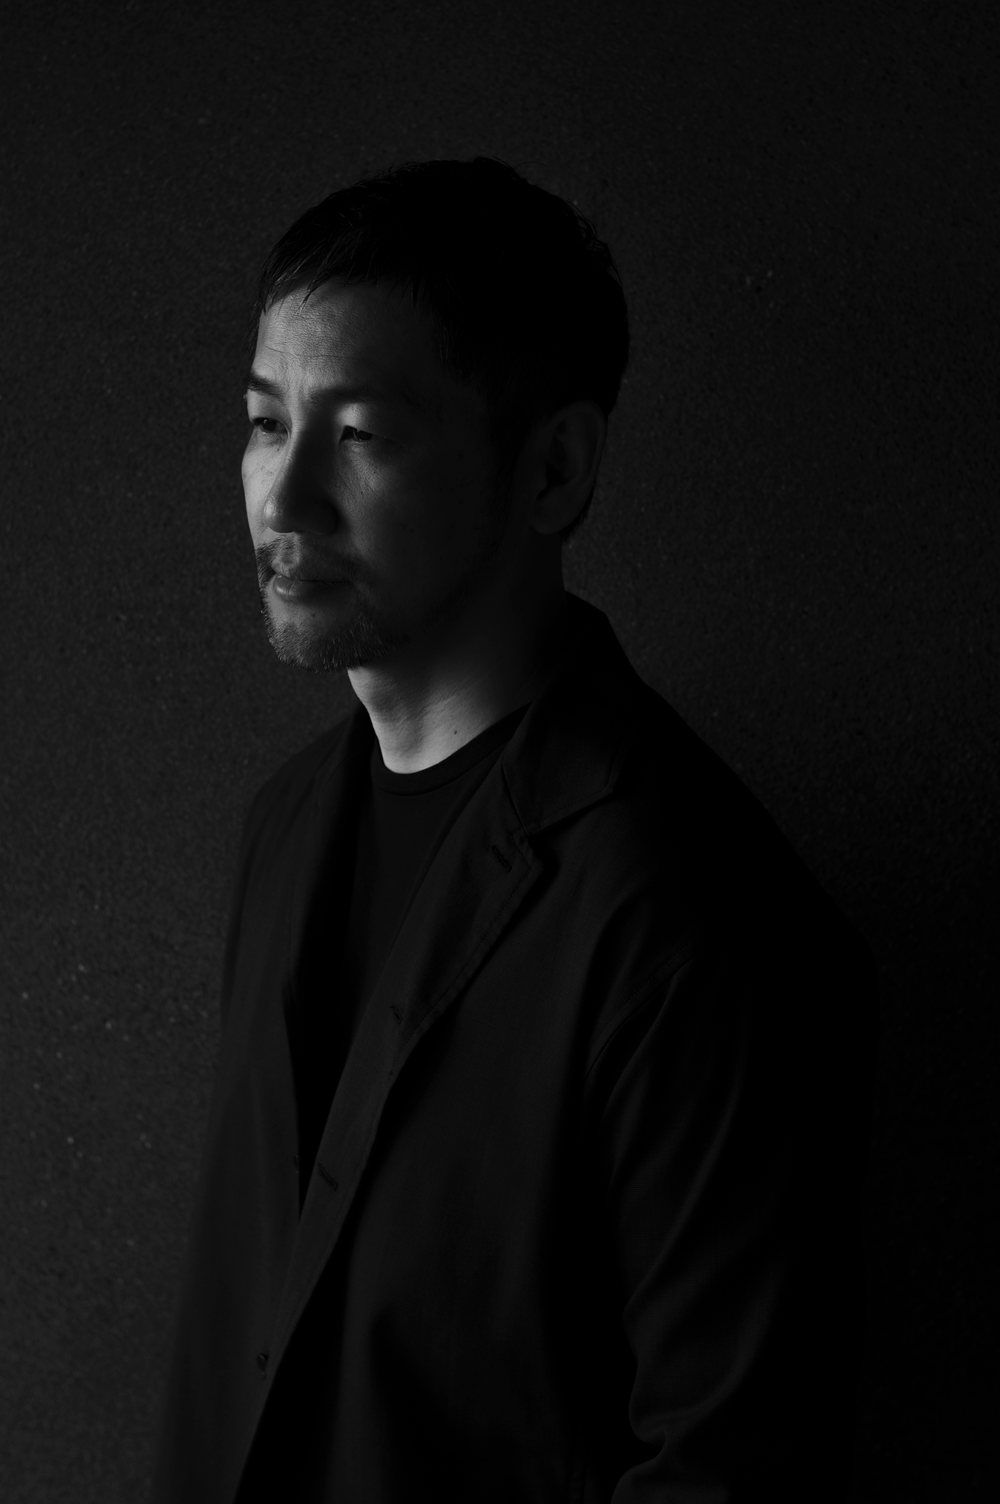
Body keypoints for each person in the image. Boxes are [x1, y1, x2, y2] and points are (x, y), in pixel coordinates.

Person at [150, 157, 875, 1504]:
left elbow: (732, 1465)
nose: (282, 498)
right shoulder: (285, 827)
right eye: (264, 422)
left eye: (359, 434)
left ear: (554, 468)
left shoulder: (688, 910)